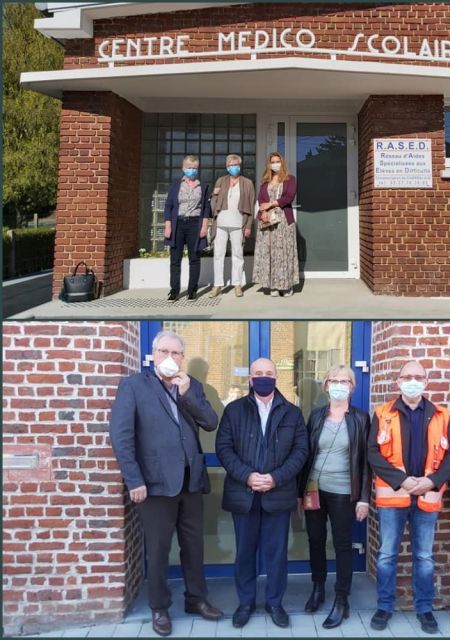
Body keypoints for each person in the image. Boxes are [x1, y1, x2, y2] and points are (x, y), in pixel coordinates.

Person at [108, 330, 222, 637]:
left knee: (194, 546)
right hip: (154, 484)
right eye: (164, 352)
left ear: (183, 358)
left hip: (191, 481)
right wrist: (134, 479)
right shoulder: (134, 386)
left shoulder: (192, 386)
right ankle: (159, 608)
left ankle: (196, 600)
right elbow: (121, 436)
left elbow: (211, 422)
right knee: (158, 550)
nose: (170, 358)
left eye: (176, 353)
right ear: (153, 355)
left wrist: (188, 395)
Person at [216, 358, 308, 629]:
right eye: (258, 373)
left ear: (276, 377)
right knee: (244, 552)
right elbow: (224, 448)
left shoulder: (292, 413)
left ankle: (275, 603)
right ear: (250, 378)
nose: (263, 377)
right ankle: (245, 603)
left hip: (277, 494)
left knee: (277, 553)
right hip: (243, 493)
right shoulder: (233, 410)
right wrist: (248, 475)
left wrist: (275, 478)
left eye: (269, 373)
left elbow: (301, 452)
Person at [367, 360, 450, 634]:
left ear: (426, 382)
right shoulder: (382, 413)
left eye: (418, 376)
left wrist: (431, 481)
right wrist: (403, 481)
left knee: (424, 557)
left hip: (427, 498)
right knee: (386, 555)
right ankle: (384, 607)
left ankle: (425, 609)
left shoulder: (443, 416)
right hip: (394, 498)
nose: (413, 380)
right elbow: (373, 453)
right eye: (407, 376)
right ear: (398, 382)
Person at [298, 365, 371, 629]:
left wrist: (364, 498)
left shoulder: (361, 419)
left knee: (342, 545)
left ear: (352, 386)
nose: (339, 384)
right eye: (334, 380)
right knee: (315, 540)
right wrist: (299, 492)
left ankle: (342, 599)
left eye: (345, 381)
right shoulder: (316, 416)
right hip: (314, 489)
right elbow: (305, 455)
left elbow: (365, 463)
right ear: (326, 385)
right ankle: (318, 588)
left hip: (344, 491)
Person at [164, 155, 211, 301]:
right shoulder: (176, 184)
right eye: (189, 167)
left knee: (194, 258)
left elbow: (206, 208)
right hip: (178, 223)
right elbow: (168, 206)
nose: (192, 170)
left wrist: (204, 226)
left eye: (194, 168)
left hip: (195, 224)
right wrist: (168, 225)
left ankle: (192, 290)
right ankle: (174, 290)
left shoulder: (203, 187)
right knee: (175, 259)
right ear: (183, 168)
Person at [208, 154, 255, 299]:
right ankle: (217, 285)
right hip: (221, 223)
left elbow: (252, 206)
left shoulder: (247, 183)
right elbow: (213, 203)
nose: (234, 167)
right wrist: (213, 194)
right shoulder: (221, 181)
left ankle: (237, 285)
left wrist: (248, 226)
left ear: (240, 166)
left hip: (238, 224)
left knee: (238, 255)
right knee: (218, 255)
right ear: (227, 166)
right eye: (231, 164)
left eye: (236, 164)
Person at [253, 152, 299, 297]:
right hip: (268, 222)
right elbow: (261, 201)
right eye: (272, 162)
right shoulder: (265, 182)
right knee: (271, 254)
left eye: (277, 161)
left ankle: (286, 286)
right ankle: (273, 285)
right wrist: (263, 213)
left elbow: (289, 197)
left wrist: (271, 204)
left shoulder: (290, 179)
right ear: (269, 164)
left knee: (284, 253)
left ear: (282, 162)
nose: (275, 164)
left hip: (284, 221)